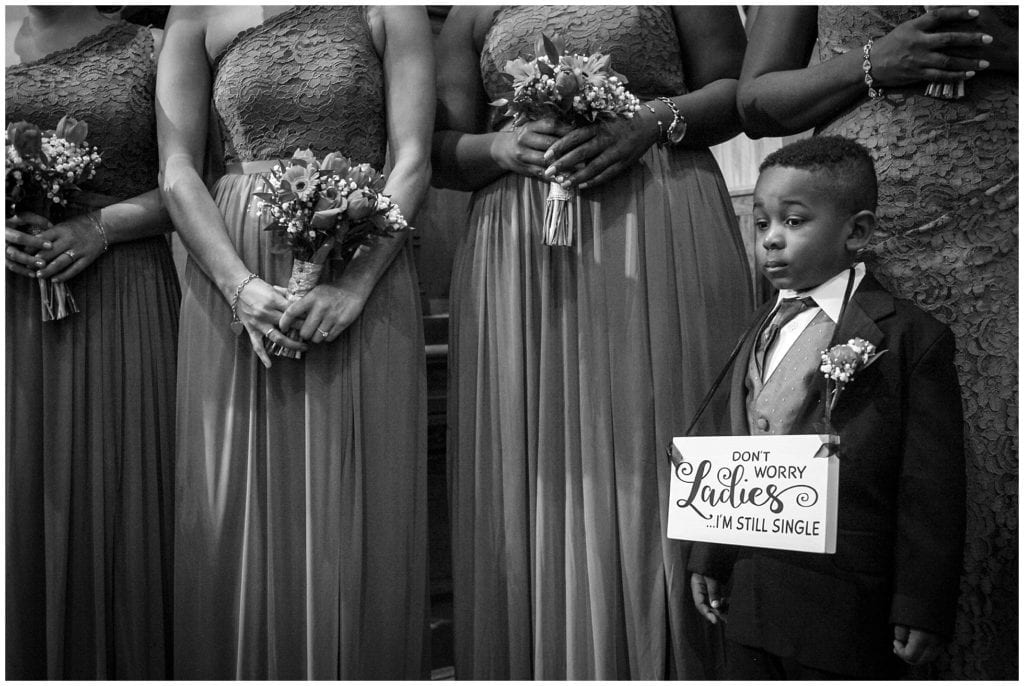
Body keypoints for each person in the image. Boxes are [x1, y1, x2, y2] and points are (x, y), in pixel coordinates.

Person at [433, 6, 754, 679]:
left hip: (661, 213)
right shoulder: (471, 11)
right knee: (535, 454)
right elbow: (439, 146)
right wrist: (494, 149)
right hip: (517, 244)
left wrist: (650, 121)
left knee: (658, 435)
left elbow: (739, 92)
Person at [735, 7, 1016, 679]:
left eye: (782, 224)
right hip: (868, 221)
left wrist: (992, 47)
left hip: (1006, 214)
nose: (768, 237)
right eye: (759, 225)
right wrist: (875, 61)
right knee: (861, 446)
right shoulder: (779, 304)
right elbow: (754, 97)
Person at [156, 5, 433, 679]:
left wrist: (357, 284)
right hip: (231, 267)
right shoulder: (195, 10)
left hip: (364, 253)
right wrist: (238, 287)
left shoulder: (391, 7)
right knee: (230, 510)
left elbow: (413, 158)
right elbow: (177, 168)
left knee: (360, 502)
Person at [689, 136, 966, 680]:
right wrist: (711, 552)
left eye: (793, 222)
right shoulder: (756, 325)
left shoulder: (908, 334)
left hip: (845, 600)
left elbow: (930, 486)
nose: (770, 240)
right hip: (749, 587)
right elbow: (737, 445)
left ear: (857, 231)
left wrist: (922, 603)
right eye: (761, 222)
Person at [5, 5, 180, 679]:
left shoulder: (152, 47)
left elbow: (193, 183)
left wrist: (100, 226)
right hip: (14, 306)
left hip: (124, 294)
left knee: (126, 500)